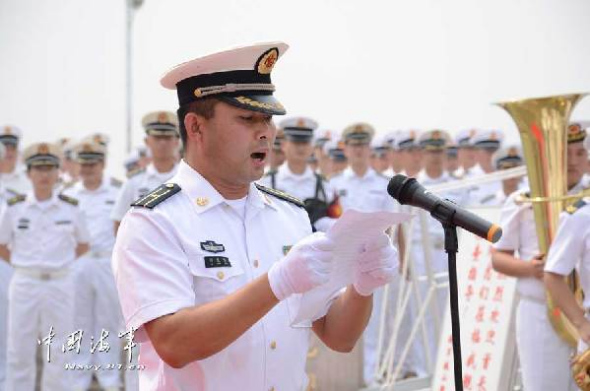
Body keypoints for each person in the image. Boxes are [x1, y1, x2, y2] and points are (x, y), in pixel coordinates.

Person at [112, 41, 399, 391]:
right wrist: (275, 284)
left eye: (268, 119)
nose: (265, 132)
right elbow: (174, 343)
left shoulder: (290, 215)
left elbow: (338, 337)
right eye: (248, 119)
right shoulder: (155, 221)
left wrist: (361, 286)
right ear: (196, 127)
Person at [491, 122, 589, 391]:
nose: (573, 161)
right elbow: (498, 256)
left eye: (580, 153)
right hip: (541, 309)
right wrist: (529, 268)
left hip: (585, 310)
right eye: (566, 153)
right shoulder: (523, 199)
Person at [0, 142, 90, 391]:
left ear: (57, 172)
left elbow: (83, 244)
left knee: (59, 348)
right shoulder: (15, 207)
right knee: (19, 347)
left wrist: (58, 264)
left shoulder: (71, 207)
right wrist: (26, 265)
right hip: (25, 282)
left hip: (60, 282)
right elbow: (2, 244)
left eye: (50, 168)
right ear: (28, 173)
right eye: (38, 169)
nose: (44, 175)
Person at [328, 122, 407, 384]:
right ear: (346, 149)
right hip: (343, 261)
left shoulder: (383, 184)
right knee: (342, 317)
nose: (359, 150)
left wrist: (403, 262)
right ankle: (348, 377)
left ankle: (372, 377)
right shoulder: (334, 184)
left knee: (373, 323)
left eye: (363, 145)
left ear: (369, 148)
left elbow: (396, 226)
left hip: (373, 261)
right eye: (354, 145)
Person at [62, 140, 124, 391]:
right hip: (78, 264)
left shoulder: (117, 191)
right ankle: (79, 379)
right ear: (77, 165)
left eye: (93, 163)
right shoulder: (69, 194)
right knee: (78, 322)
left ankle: (108, 379)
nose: (88, 168)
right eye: (84, 163)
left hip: (106, 262)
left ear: (103, 164)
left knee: (107, 321)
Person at [259, 117, 341, 232]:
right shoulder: (265, 183)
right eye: (295, 142)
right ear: (284, 145)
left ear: (312, 147)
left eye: (305, 142)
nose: (301, 147)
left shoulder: (326, 187)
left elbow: (336, 223)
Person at [111, 111, 180, 232]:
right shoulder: (135, 182)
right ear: (147, 141)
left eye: (167, 137)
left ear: (176, 142)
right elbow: (119, 222)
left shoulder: (188, 179)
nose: (162, 143)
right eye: (157, 137)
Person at [467, 129, 504, 205]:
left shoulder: (507, 177)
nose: (493, 155)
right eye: (488, 151)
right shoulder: (467, 178)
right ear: (476, 152)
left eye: (495, 150)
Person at [0, 125, 31, 194]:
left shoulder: (29, 180)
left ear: (18, 151)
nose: (8, 152)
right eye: (4, 148)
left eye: (12, 148)